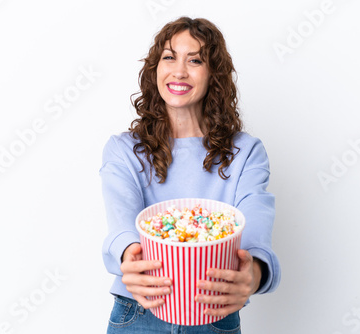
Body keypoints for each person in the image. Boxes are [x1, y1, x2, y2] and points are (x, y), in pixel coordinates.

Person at [100, 16, 280, 333]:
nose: (179, 71)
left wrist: (252, 276)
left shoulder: (245, 153)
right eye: (169, 57)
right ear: (155, 69)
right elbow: (122, 222)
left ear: (214, 74)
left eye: (195, 60)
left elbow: (255, 228)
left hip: (214, 310)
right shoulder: (124, 150)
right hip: (138, 312)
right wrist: (130, 256)